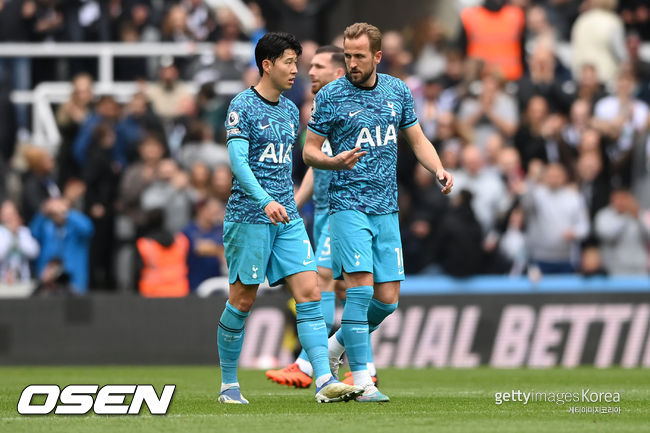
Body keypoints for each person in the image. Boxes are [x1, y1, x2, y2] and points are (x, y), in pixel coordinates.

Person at [303, 23, 453, 402]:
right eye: (348, 55)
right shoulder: (331, 96)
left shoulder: (397, 91)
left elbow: (417, 139)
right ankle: (363, 382)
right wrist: (334, 162)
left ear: (377, 56)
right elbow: (309, 151)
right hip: (347, 206)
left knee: (387, 300)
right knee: (360, 292)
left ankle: (333, 347)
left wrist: (437, 168)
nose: (352, 63)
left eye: (359, 56)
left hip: (386, 209)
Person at [217, 32, 362, 405]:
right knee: (242, 300)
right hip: (249, 217)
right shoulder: (242, 106)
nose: (296, 70)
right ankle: (229, 385)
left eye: (297, 62)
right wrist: (265, 201)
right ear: (267, 65)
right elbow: (238, 164)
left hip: (287, 219)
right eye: (289, 62)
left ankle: (323, 379)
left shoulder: (289, 110)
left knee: (310, 292)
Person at [266, 45, 379, 388]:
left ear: (338, 72)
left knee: (327, 281)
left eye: (318, 66)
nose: (310, 72)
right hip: (325, 211)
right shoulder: (322, 108)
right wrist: (294, 205)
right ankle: (363, 366)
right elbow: (317, 166)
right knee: (346, 286)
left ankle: (307, 363)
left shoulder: (351, 107)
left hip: (347, 209)